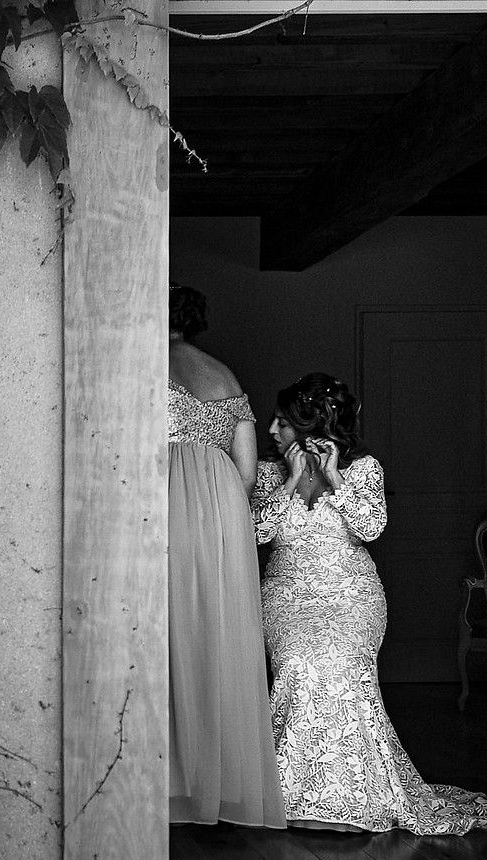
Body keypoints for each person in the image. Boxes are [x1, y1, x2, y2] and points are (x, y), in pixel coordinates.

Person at [255, 373, 487, 835]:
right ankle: (288, 794)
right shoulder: (269, 474)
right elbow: (255, 533)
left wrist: (333, 480)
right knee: (298, 664)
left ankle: (356, 794)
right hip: (288, 595)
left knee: (344, 665)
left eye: (282, 422)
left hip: (353, 595)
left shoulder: (364, 468)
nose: (270, 430)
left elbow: (369, 529)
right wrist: (290, 483)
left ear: (311, 427)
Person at [167, 286, 284, 828]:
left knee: (165, 630)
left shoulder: (138, 367)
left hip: (160, 502)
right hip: (218, 512)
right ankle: (217, 781)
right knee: (213, 633)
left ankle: (165, 774)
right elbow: (246, 472)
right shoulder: (225, 377)